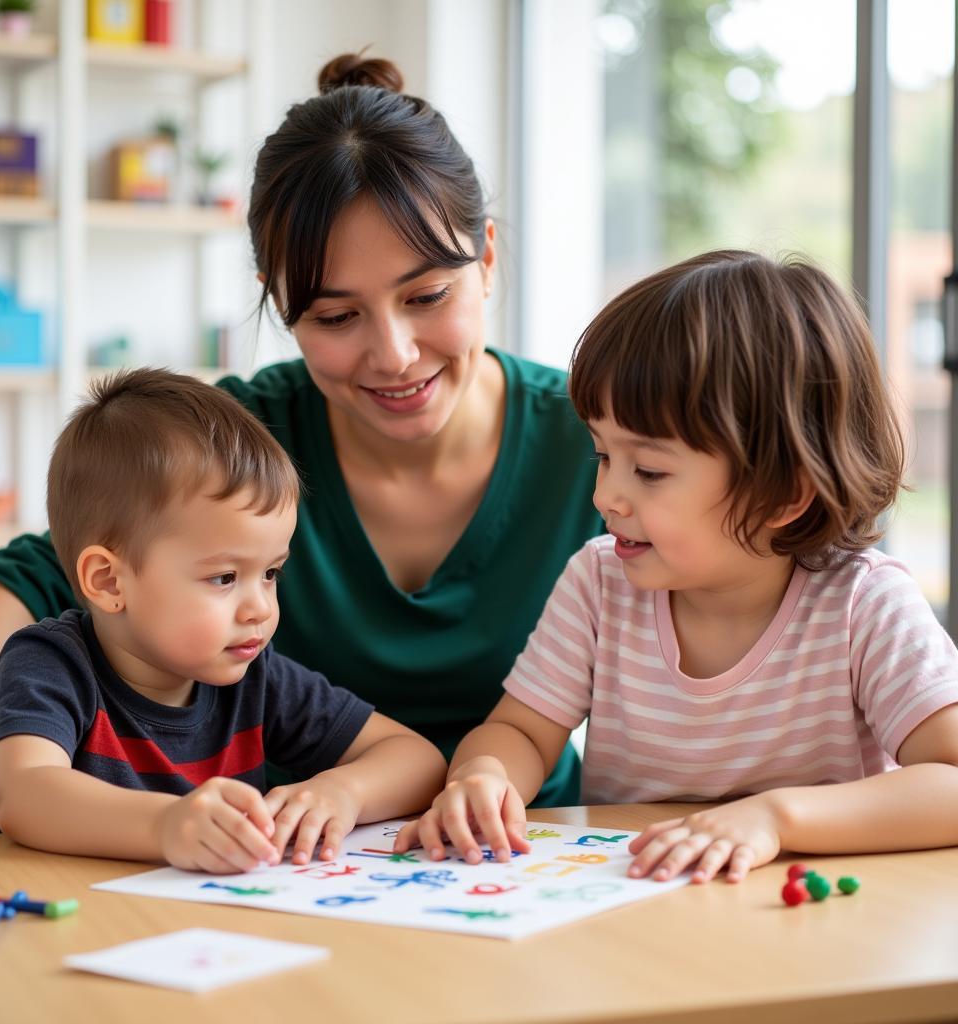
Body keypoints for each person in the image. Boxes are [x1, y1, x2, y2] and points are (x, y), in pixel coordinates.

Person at [0, 54, 601, 836]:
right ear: (279, 300)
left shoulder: (599, 439)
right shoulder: (237, 448)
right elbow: (21, 582)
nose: (392, 354)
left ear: (485, 258)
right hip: (291, 859)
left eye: (427, 296)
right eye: (335, 317)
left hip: (529, 851)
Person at [395, 249, 958, 882]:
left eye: (650, 471)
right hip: (639, 908)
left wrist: (775, 818)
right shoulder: (599, 582)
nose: (606, 496)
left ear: (781, 494)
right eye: (603, 456)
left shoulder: (865, 604)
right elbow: (521, 732)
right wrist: (484, 775)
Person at [0, 369, 445, 871]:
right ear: (108, 581)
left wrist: (342, 791)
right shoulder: (50, 663)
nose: (260, 606)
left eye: (272, 572)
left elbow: (417, 758)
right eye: (225, 578)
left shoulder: (255, 678)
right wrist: (165, 825)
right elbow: (25, 794)